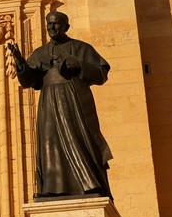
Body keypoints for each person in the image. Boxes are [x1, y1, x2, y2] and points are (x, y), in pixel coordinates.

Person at [7, 12, 112, 199]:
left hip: (76, 101)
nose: (52, 28)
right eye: (49, 25)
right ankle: (53, 189)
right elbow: (28, 81)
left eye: (56, 24)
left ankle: (90, 185)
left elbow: (101, 74)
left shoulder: (81, 48)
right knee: (50, 144)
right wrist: (21, 62)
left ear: (66, 27)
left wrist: (79, 66)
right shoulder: (40, 53)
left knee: (82, 141)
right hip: (49, 104)